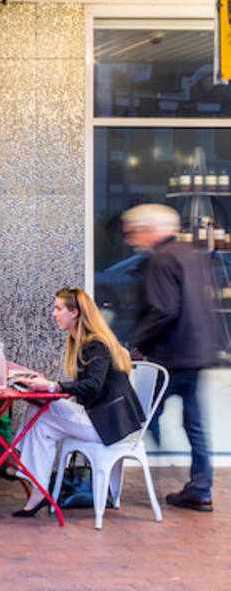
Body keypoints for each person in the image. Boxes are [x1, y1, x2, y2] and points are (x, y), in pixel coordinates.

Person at [12, 288, 144, 516]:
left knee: (41, 412)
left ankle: (16, 463)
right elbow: (86, 393)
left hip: (109, 425)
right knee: (40, 415)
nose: (54, 314)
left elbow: (94, 385)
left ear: (74, 313)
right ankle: (32, 484)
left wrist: (53, 386)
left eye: (58, 308)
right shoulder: (84, 342)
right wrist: (47, 384)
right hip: (102, 418)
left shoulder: (96, 345)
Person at [124, 203, 220, 511]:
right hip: (197, 351)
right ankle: (201, 487)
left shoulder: (161, 259)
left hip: (171, 354)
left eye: (134, 231)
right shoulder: (192, 254)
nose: (131, 238)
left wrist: (135, 343)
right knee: (194, 423)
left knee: (140, 413)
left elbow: (163, 309)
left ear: (149, 229)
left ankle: (115, 477)